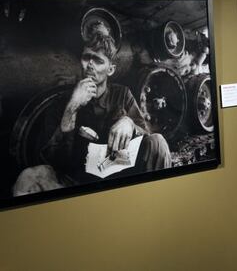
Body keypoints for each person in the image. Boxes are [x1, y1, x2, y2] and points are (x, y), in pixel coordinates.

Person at [13, 33, 172, 196]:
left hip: (118, 176)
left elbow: (146, 135)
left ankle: (154, 202)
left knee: (157, 142)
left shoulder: (122, 94)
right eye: (86, 57)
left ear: (111, 69)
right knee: (28, 179)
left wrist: (130, 124)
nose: (89, 64)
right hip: (77, 180)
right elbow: (51, 159)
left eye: (98, 60)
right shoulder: (63, 100)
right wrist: (72, 107)